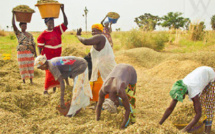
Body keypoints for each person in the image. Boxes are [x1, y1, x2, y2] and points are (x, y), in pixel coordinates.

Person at [159, 66, 215, 134]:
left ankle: (207, 131)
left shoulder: (194, 91)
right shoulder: (181, 86)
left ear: (183, 93)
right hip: (201, 75)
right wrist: (159, 124)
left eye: (179, 97)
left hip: (211, 75)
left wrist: (184, 130)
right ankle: (202, 126)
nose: (178, 99)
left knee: (209, 105)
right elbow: (170, 108)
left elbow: (198, 114)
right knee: (202, 104)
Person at [76, 24, 116, 108]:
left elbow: (85, 41)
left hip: (105, 66)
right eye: (92, 31)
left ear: (101, 31)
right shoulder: (97, 40)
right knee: (97, 85)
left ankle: (107, 104)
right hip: (99, 67)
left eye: (96, 30)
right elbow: (92, 54)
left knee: (105, 84)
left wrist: (78, 35)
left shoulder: (100, 37)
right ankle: (98, 105)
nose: (93, 32)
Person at [37, 4, 68, 94]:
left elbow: (66, 23)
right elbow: (40, 47)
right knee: (49, 74)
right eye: (50, 23)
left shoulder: (57, 30)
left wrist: (62, 11)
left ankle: (55, 89)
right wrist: (41, 57)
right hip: (49, 59)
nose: (51, 24)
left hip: (57, 57)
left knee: (57, 73)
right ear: (46, 23)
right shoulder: (43, 34)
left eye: (53, 23)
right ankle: (45, 90)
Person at [96, 64, 137, 129]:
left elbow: (128, 109)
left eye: (117, 106)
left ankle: (133, 120)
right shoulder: (103, 90)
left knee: (131, 99)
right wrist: (97, 120)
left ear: (116, 100)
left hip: (130, 71)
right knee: (125, 98)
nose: (118, 107)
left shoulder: (120, 91)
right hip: (118, 68)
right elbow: (99, 105)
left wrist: (123, 126)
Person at [12, 12, 37, 84]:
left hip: (29, 52)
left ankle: (31, 80)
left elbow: (33, 44)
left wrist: (35, 54)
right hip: (21, 53)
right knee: (22, 67)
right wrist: (13, 15)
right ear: (20, 26)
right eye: (23, 26)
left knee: (30, 66)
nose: (24, 27)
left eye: (25, 25)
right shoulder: (19, 34)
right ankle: (24, 81)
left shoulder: (30, 35)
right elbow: (13, 25)